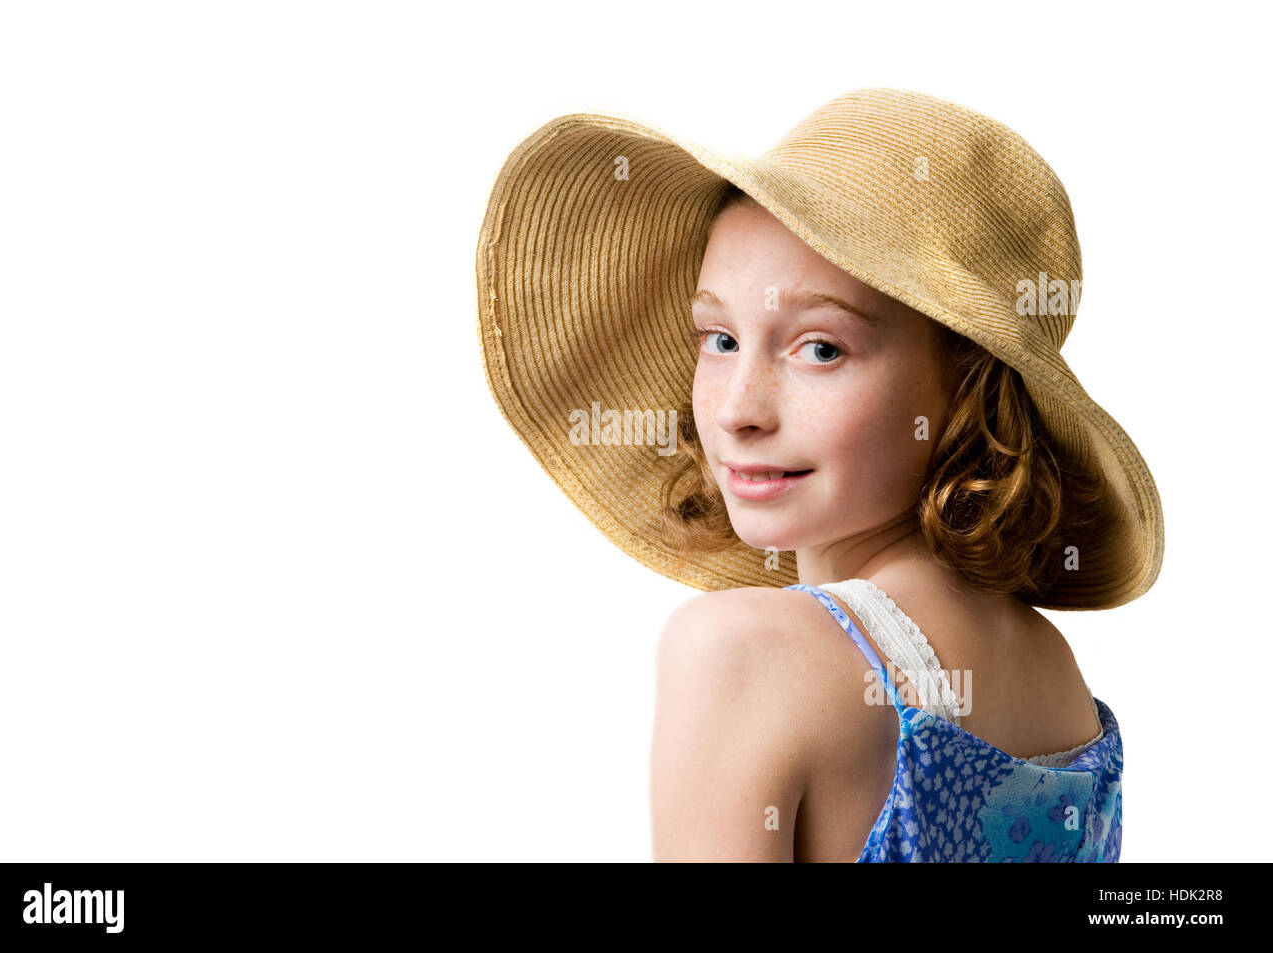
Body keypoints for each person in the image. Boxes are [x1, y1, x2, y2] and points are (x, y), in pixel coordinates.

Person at [476, 88, 1161, 861]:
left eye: (821, 348)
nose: (738, 410)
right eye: (720, 338)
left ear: (968, 388)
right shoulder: (1054, 670)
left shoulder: (741, 652)